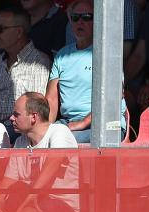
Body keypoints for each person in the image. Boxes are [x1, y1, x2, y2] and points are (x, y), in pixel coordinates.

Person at [46, 0, 114, 144]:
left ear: (97, 20)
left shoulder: (108, 53)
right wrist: (46, 129)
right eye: (75, 18)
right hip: (68, 123)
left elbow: (113, 98)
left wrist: (84, 122)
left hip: (103, 124)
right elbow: (51, 99)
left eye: (87, 17)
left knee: (61, 142)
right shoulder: (62, 55)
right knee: (42, 139)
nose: (80, 22)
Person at [0, 5, 52, 140]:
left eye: (0, 29)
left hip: (19, 133)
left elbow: (36, 111)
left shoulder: (39, 62)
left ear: (19, 32)